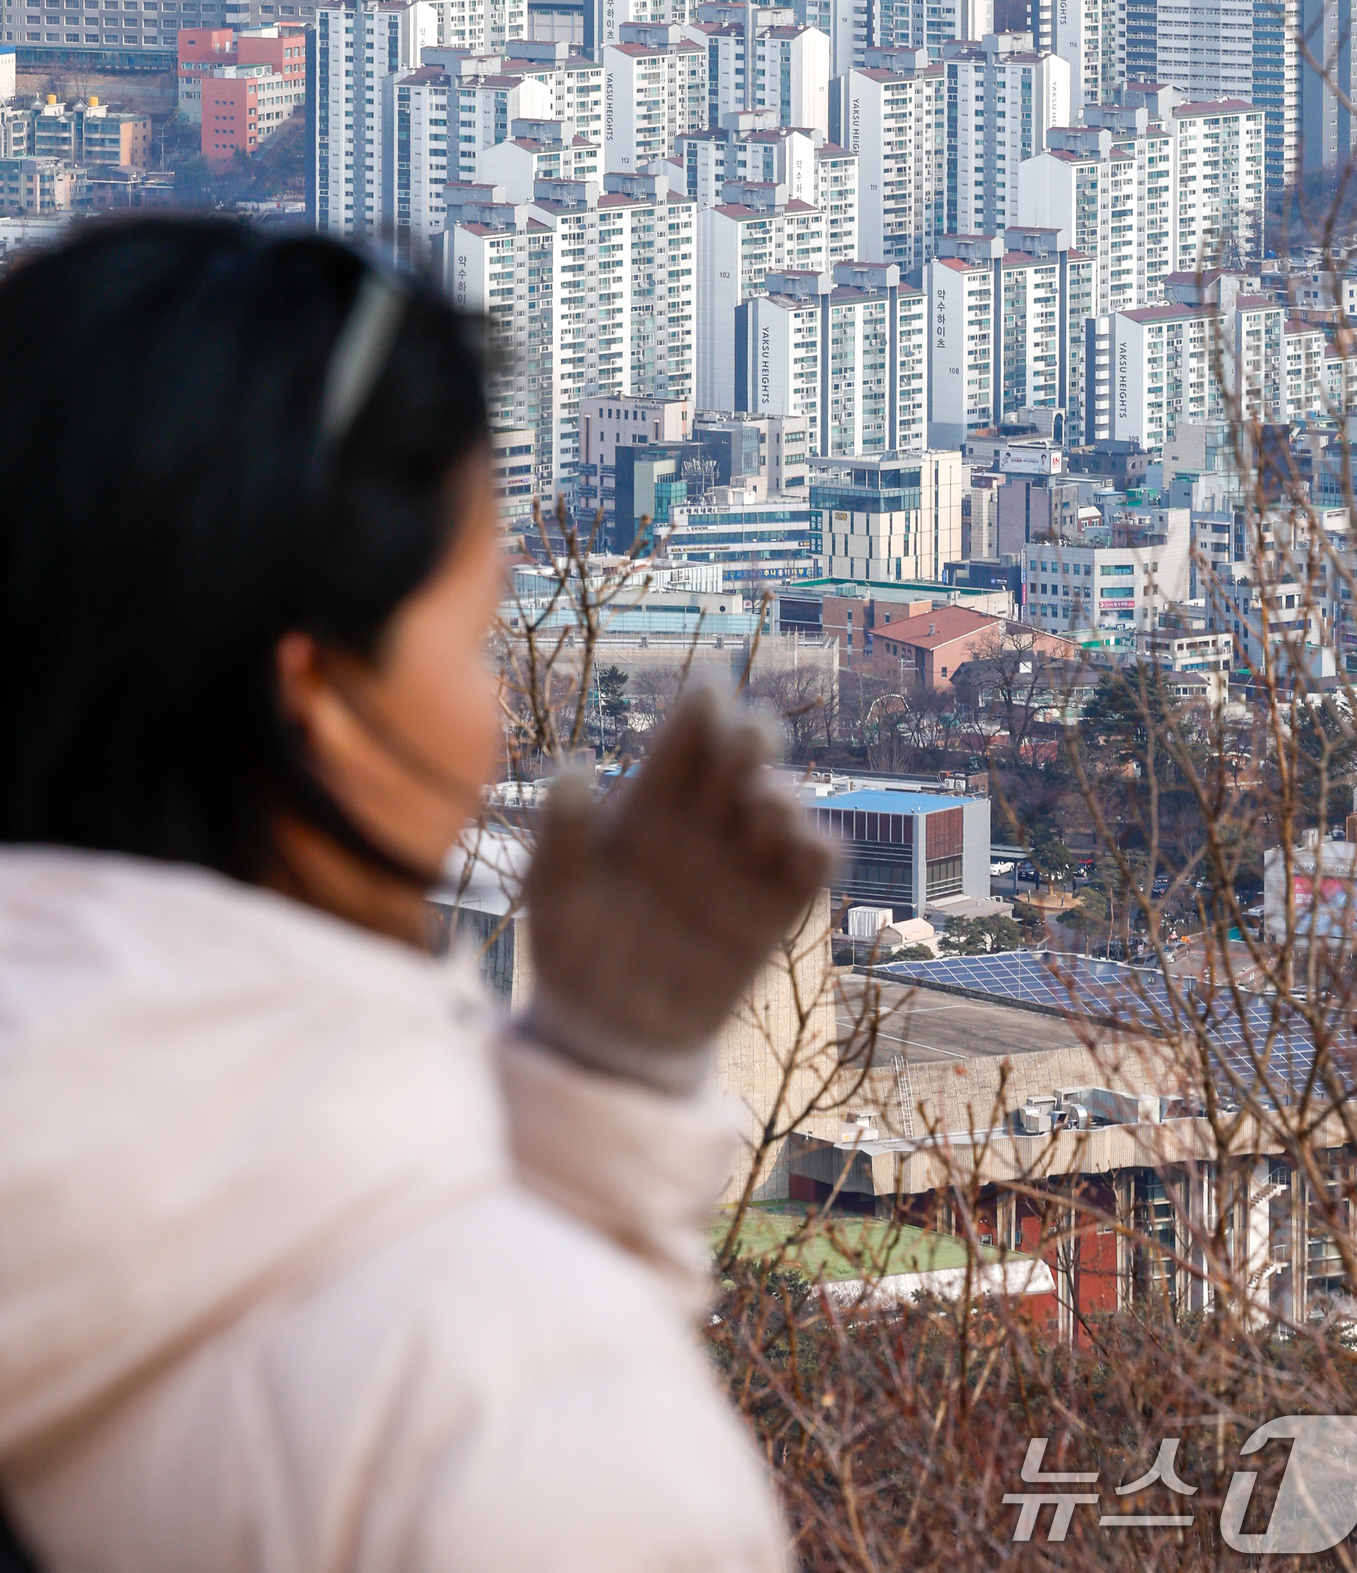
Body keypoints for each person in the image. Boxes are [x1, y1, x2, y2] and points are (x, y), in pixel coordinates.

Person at [0, 218, 832, 1572]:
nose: (496, 716)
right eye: (472, 635)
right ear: (315, 692)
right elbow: (433, 1406)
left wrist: (587, 1113)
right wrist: (561, 1341)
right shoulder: (512, 1438)